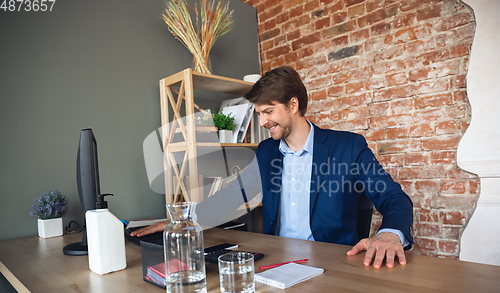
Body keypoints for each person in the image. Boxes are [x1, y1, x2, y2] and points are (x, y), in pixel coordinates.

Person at [132, 66, 413, 269]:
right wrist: (182, 220)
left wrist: (389, 234)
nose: (263, 121)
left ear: (293, 105)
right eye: (259, 113)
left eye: (268, 111)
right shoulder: (267, 152)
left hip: (335, 265)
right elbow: (233, 197)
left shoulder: (347, 147)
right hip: (277, 263)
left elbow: (393, 197)